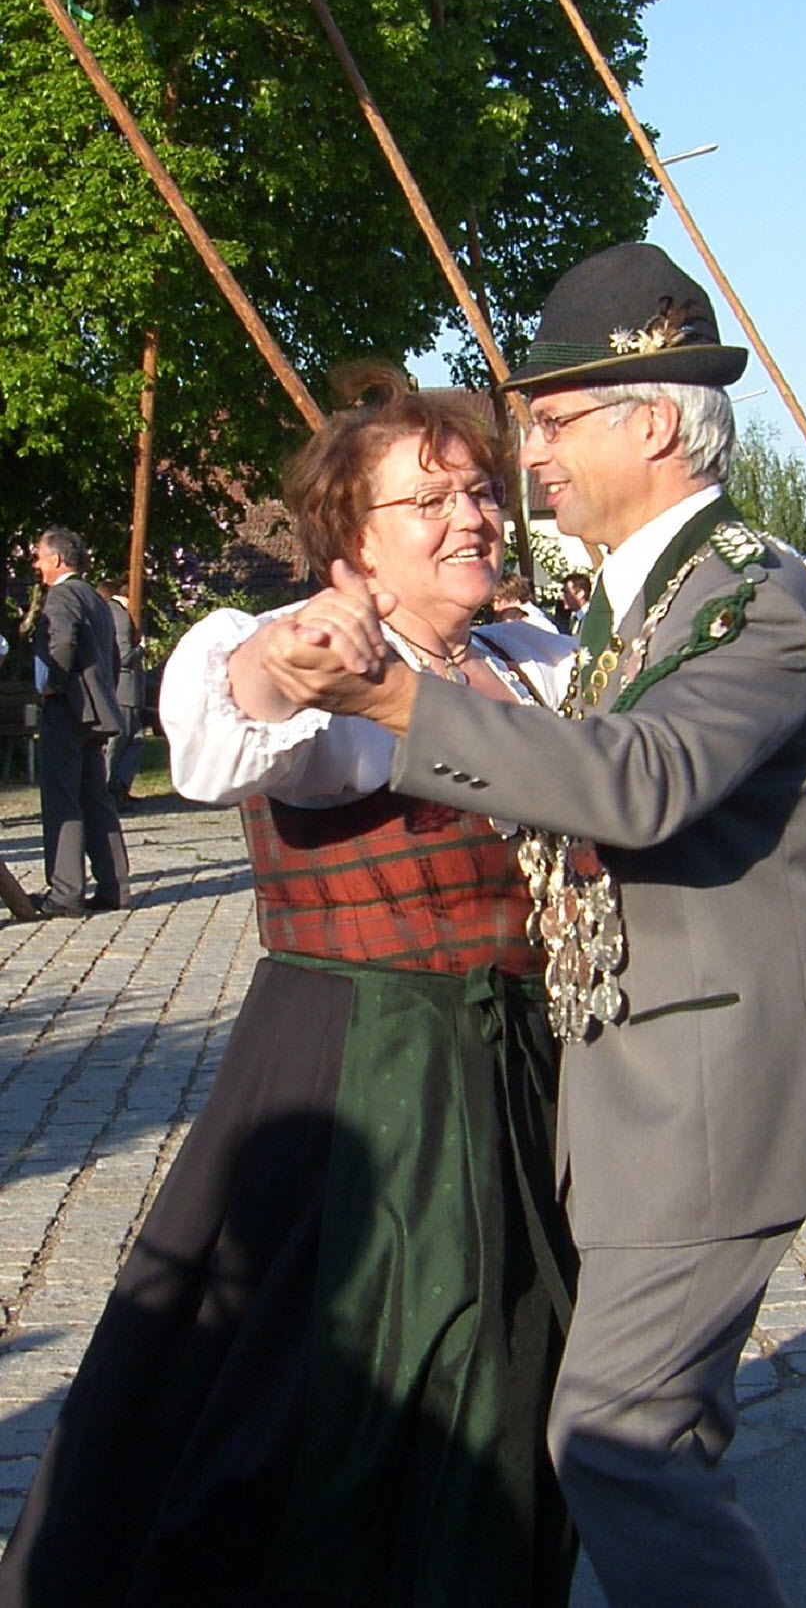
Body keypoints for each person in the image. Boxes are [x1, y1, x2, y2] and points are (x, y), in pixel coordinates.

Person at [229, 243, 806, 1608]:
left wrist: (392, 707)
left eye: (552, 424)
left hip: (721, 1094)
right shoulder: (640, 601)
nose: (527, 460)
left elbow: (637, 781)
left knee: (618, 1440)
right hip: (650, 1091)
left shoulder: (754, 600)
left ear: (655, 420)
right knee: (655, 1429)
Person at [0, 370, 575, 1608]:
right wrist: (281, 659)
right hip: (358, 1079)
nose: (470, 515)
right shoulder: (322, 664)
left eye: (478, 490)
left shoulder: (534, 659)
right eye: (427, 500)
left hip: (526, 1080)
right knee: (311, 1415)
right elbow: (224, 731)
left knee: (517, 1381)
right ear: (351, 547)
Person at [29, 528, 130, 918]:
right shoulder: (95, 598)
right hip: (96, 711)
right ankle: (114, 886)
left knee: (62, 800)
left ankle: (66, 892)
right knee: (95, 798)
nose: (36, 565)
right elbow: (113, 653)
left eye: (39, 556)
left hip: (69, 709)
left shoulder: (62, 595)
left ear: (56, 560)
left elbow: (62, 643)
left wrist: (52, 686)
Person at [97, 578, 146, 807]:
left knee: (135, 741)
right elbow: (124, 657)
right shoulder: (118, 614)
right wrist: (141, 649)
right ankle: (105, 790)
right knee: (117, 743)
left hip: (130, 690)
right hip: (122, 689)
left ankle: (120, 786)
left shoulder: (120, 613)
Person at [491, 571, 561, 632]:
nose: (495, 608)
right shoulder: (500, 622)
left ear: (513, 598)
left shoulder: (538, 624)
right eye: (492, 602)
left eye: (499, 601)